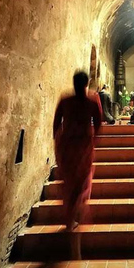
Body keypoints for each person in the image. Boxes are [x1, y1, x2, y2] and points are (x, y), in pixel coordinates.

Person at [52, 71, 103, 232]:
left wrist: (58, 142)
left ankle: (70, 216)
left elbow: (56, 123)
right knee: (82, 179)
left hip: (68, 144)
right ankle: (77, 210)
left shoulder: (66, 100)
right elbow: (98, 123)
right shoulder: (92, 100)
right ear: (86, 83)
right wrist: (94, 140)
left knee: (69, 180)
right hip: (83, 144)